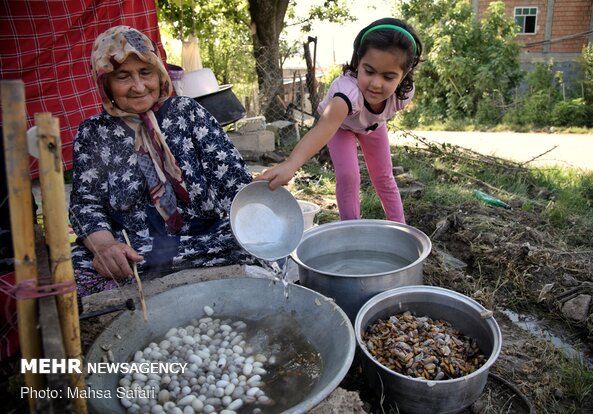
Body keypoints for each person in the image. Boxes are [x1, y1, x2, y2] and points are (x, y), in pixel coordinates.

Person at [70, 26, 254, 297]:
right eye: (123, 76)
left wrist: (255, 218)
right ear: (104, 82)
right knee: (80, 270)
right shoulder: (94, 133)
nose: (139, 86)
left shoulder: (187, 113)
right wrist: (105, 247)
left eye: (145, 72)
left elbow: (234, 183)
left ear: (159, 72)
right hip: (136, 246)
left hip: (206, 237)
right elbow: (85, 204)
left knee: (252, 244)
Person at [257, 18, 422, 224]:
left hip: (372, 126)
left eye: (388, 77)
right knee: (348, 177)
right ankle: (350, 228)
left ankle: (400, 227)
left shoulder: (403, 95)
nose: (376, 84)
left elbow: (376, 116)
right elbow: (324, 128)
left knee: (384, 177)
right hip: (340, 127)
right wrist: (291, 164)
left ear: (404, 75)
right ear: (358, 62)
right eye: (368, 71)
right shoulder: (347, 93)